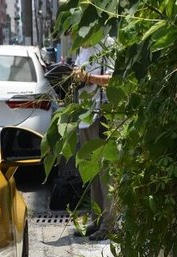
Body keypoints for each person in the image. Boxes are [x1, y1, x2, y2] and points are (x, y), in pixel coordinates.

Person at [73, 39, 114, 241]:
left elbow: (113, 80)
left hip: (101, 115)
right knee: (92, 172)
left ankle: (109, 224)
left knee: (106, 173)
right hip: (85, 117)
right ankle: (97, 220)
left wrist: (88, 77)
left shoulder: (107, 44)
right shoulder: (82, 47)